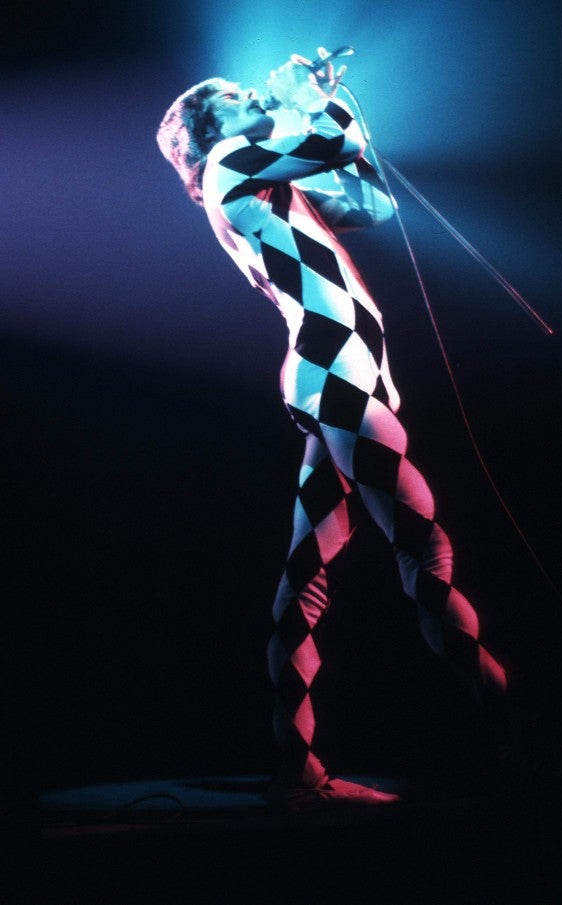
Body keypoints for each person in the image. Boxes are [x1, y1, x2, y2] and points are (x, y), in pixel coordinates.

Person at [156, 49, 507, 811]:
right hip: (335, 372)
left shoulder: (266, 176)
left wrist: (324, 105)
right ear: (210, 127)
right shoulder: (228, 162)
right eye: (234, 94)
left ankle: (298, 774)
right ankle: (509, 724)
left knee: (307, 577)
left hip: (340, 374)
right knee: (425, 549)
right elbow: (339, 140)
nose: (251, 92)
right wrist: (307, 98)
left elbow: (372, 202)